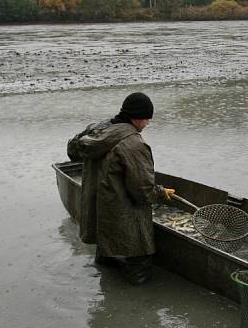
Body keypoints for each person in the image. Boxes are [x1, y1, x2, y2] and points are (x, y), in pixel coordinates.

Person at [67, 92, 172, 284]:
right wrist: (161, 192)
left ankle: (107, 290)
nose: (148, 123)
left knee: (106, 263)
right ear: (136, 117)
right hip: (124, 223)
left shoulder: (97, 130)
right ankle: (137, 307)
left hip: (100, 216)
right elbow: (143, 192)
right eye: (147, 118)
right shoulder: (133, 144)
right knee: (139, 272)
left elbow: (72, 151)